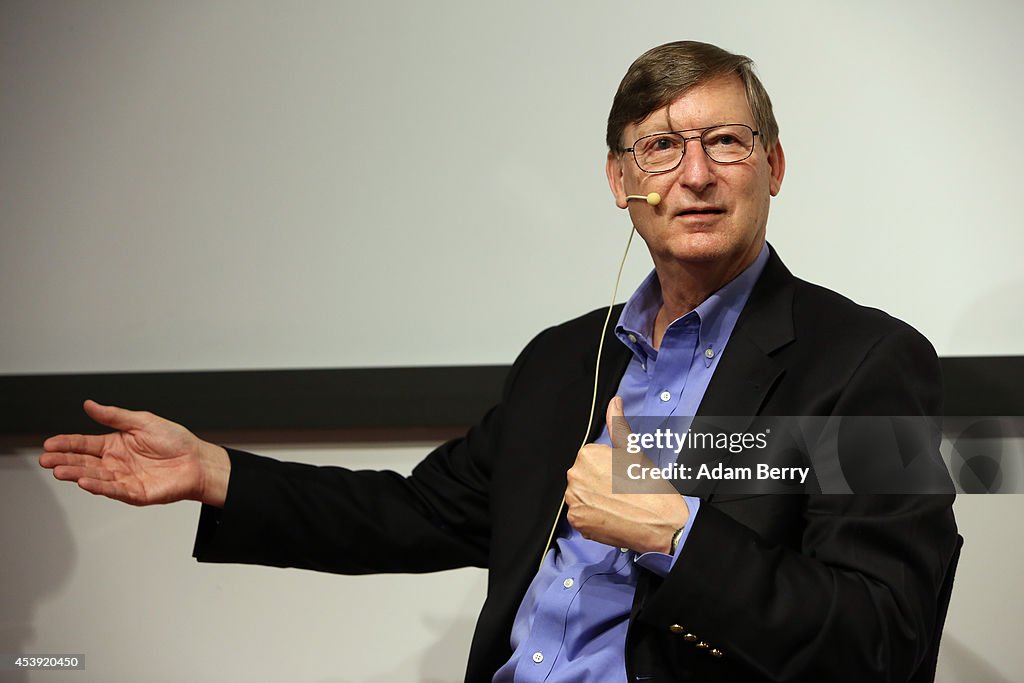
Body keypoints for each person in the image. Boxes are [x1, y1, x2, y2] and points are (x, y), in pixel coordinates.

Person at [39, 40, 958, 682]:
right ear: (619, 182)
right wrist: (218, 473)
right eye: (661, 147)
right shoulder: (566, 362)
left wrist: (674, 534)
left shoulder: (868, 363)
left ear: (774, 165)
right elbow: (415, 513)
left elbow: (887, 634)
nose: (697, 172)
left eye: (725, 141)